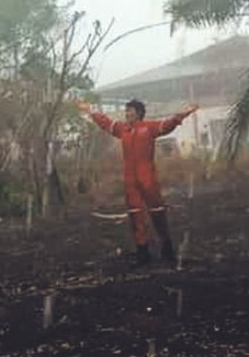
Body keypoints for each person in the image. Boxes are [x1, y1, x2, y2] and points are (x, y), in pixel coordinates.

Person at [75, 98, 198, 268]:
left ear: (139, 113)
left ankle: (167, 249)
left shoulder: (149, 127)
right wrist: (90, 111)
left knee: (157, 212)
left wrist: (186, 113)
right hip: (130, 179)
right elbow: (106, 123)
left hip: (148, 178)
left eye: (130, 111)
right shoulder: (122, 129)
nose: (127, 114)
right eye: (126, 111)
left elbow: (169, 124)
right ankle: (142, 252)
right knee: (135, 215)